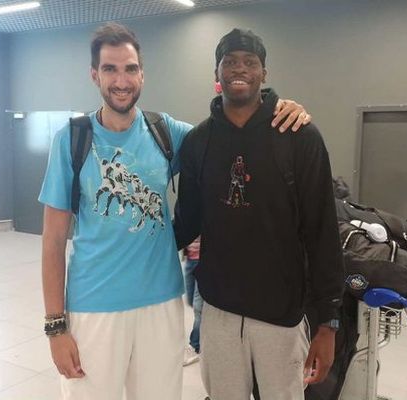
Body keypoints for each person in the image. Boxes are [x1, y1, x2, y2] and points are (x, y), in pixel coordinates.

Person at [39, 22, 313, 400]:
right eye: (110, 69)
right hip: (94, 306)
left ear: (142, 74)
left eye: (130, 69)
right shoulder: (72, 139)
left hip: (161, 304)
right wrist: (56, 327)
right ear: (94, 75)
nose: (121, 80)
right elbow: (53, 241)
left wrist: (278, 109)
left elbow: (229, 134)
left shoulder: (166, 133)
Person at [174, 28, 345, 400]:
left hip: (280, 315)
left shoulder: (298, 136)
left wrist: (328, 322)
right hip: (218, 311)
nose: (240, 69)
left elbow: (322, 233)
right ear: (216, 72)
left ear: (263, 73)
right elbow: (185, 223)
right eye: (230, 62)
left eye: (249, 62)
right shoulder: (199, 142)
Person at [182, 236, 203, 366]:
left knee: (197, 307)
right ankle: (203, 334)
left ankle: (194, 345)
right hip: (190, 260)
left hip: (202, 262)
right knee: (190, 301)